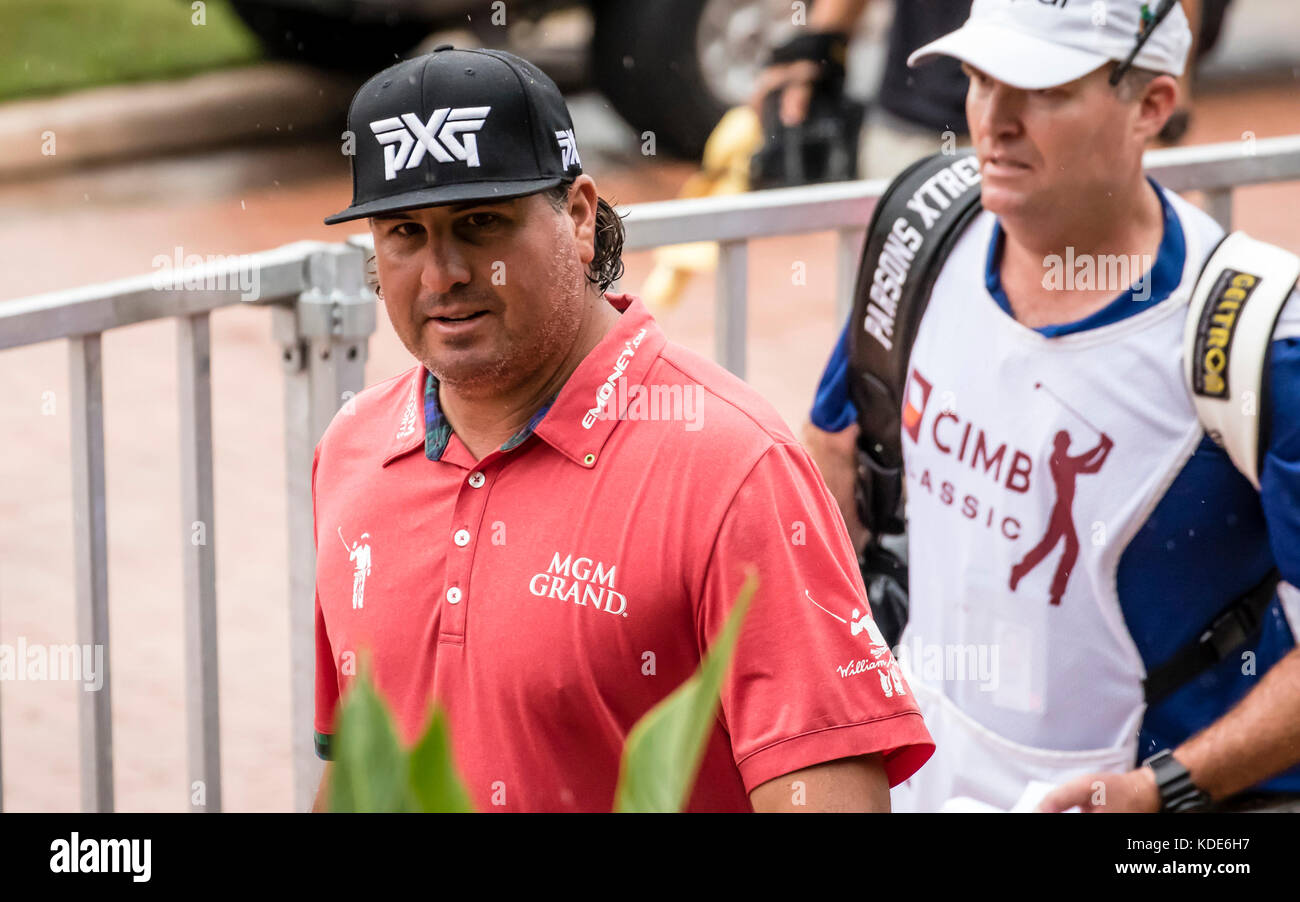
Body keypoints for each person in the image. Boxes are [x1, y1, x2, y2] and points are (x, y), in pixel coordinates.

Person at [309, 45, 933, 812]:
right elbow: (359, 768)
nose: (442, 274)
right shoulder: (353, 451)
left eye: (480, 223)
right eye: (404, 232)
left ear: (576, 216)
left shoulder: (735, 470)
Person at [804, 0, 1300, 812]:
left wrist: (1162, 790)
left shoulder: (1254, 334)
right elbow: (832, 453)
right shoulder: (925, 231)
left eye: (1041, 90)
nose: (992, 122)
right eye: (977, 78)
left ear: (1151, 107)